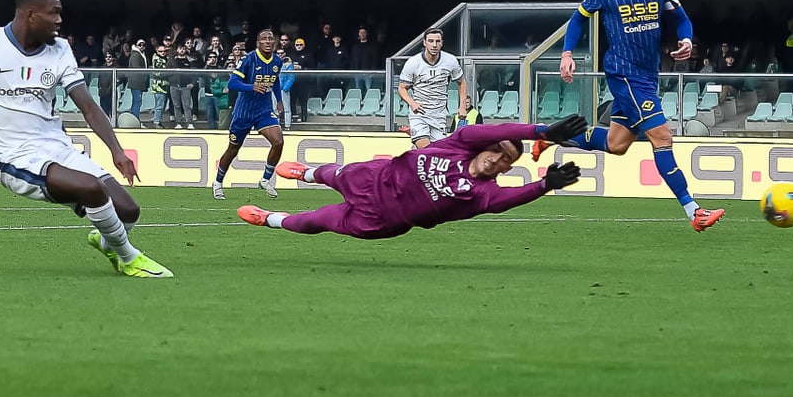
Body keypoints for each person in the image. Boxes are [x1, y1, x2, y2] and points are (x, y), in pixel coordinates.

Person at [0, 0, 172, 278]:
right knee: (92, 189)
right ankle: (129, 258)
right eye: (53, 13)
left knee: (128, 211)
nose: (59, 20)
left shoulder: (60, 50)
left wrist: (117, 152)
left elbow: (89, 107)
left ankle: (106, 239)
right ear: (30, 14)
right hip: (13, 156)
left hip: (57, 147)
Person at [541, 0, 725, 233]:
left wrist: (688, 40)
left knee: (617, 144)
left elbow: (680, 18)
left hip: (648, 74)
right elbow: (578, 20)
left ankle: (551, 135)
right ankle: (694, 211)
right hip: (624, 74)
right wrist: (567, 53)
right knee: (663, 137)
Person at [237, 118, 586, 239]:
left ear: (507, 167)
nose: (496, 156)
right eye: (495, 148)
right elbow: (496, 130)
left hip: (383, 219)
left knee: (317, 221)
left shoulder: (482, 194)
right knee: (332, 174)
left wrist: (544, 185)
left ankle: (269, 220)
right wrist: (538, 131)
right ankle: (308, 173)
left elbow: (508, 202)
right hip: (374, 178)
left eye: (505, 158)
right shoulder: (459, 143)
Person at [212, 28, 285, 201]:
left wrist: (279, 99)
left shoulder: (277, 61)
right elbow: (232, 83)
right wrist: (251, 86)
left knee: (278, 141)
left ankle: (266, 179)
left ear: (274, 43)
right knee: (233, 149)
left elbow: (274, 81)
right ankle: (217, 183)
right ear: (258, 43)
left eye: (270, 38)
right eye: (264, 39)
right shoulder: (248, 59)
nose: (268, 41)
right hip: (244, 112)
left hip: (264, 111)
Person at [398, 27, 467, 148]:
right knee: (425, 148)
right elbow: (402, 88)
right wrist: (412, 103)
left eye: (437, 41)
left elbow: (462, 82)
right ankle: (418, 146)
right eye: (430, 41)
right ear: (424, 42)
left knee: (438, 153)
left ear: (442, 43)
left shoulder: (450, 61)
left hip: (439, 115)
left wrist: (462, 106)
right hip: (419, 114)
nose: (434, 45)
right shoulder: (413, 63)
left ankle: (414, 152)